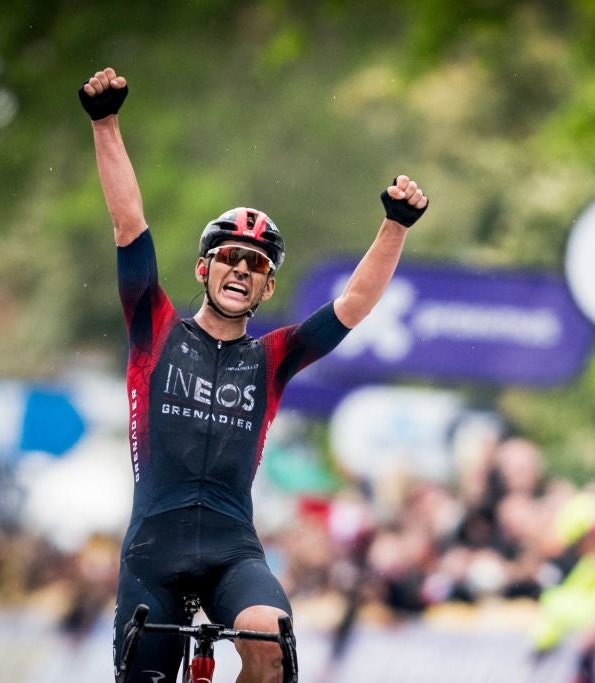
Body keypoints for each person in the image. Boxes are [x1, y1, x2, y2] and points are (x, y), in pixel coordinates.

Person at [79, 67, 428, 683]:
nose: (241, 270)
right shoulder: (153, 330)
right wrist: (106, 123)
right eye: (231, 258)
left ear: (268, 286)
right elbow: (129, 227)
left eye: (256, 265)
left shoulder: (273, 358)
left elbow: (352, 305)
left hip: (231, 551)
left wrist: (394, 226)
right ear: (203, 268)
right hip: (151, 556)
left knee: (271, 643)